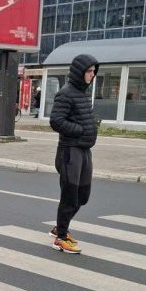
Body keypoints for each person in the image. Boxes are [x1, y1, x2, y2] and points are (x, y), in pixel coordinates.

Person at [48, 54, 99, 254]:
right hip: (70, 152)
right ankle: (60, 237)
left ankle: (60, 226)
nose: (92, 75)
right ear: (79, 72)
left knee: (83, 196)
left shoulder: (82, 94)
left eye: (94, 72)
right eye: (89, 71)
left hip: (85, 150)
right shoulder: (66, 93)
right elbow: (56, 121)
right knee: (70, 195)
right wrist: (79, 130)